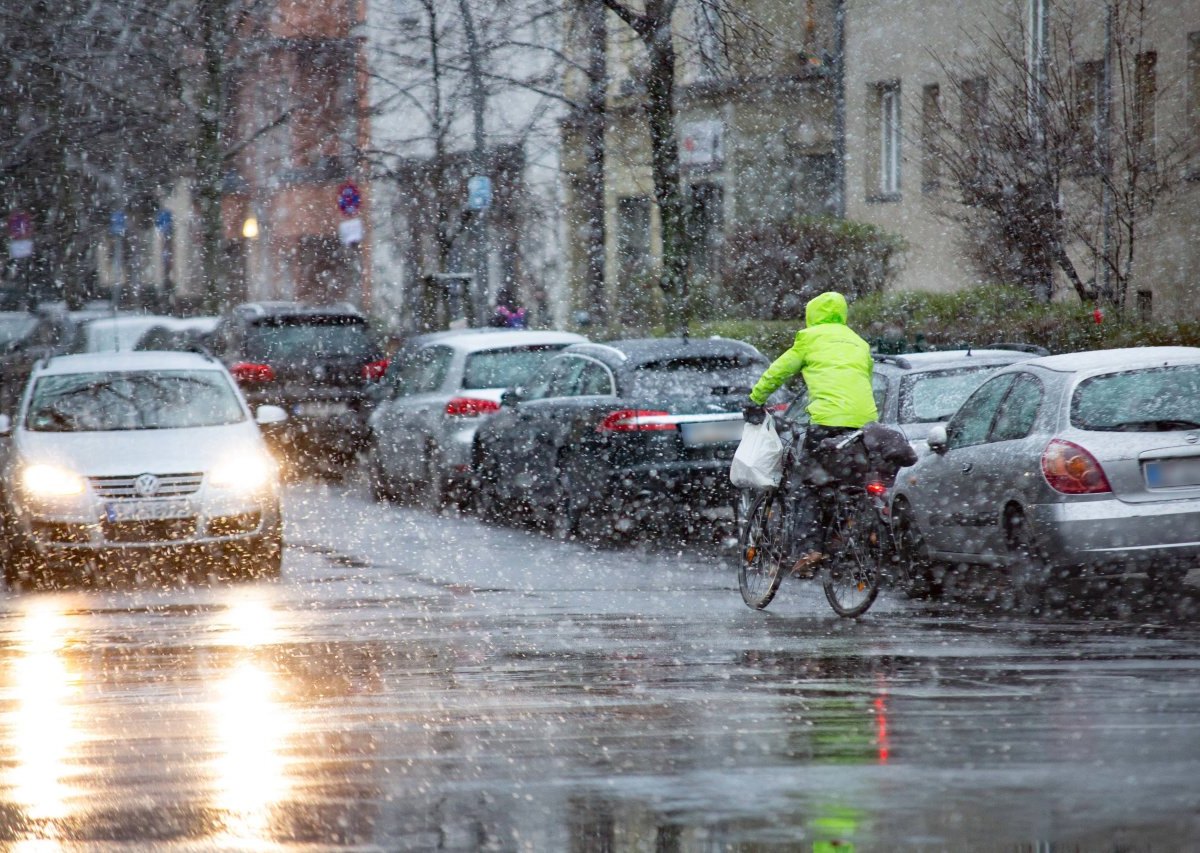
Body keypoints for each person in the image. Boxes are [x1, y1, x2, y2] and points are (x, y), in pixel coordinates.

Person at [742, 291, 879, 576]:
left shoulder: (809, 339)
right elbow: (862, 379)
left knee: (807, 487)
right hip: (863, 425)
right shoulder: (859, 343)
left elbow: (777, 372)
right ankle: (843, 533)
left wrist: (755, 400)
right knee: (846, 483)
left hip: (827, 423)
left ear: (811, 315)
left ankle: (810, 549)